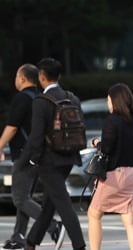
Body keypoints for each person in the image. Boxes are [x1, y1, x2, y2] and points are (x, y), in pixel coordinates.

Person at [23, 58, 86, 250]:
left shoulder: (41, 101)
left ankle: (79, 246)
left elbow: (36, 135)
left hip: (48, 160)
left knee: (63, 203)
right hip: (69, 158)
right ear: (59, 76)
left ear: (42, 76)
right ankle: (31, 241)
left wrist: (33, 159)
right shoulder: (71, 98)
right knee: (51, 202)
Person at [0, 64, 63, 250]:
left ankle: (53, 225)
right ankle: (18, 236)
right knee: (25, 197)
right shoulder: (40, 97)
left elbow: (12, 127)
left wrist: (0, 145)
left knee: (19, 199)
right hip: (40, 154)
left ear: (22, 79)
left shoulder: (21, 98)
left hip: (24, 154)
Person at [89, 83, 133, 250]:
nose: (108, 102)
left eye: (108, 99)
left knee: (94, 213)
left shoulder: (112, 121)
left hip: (116, 174)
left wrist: (97, 143)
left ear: (114, 100)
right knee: (129, 220)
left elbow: (107, 149)